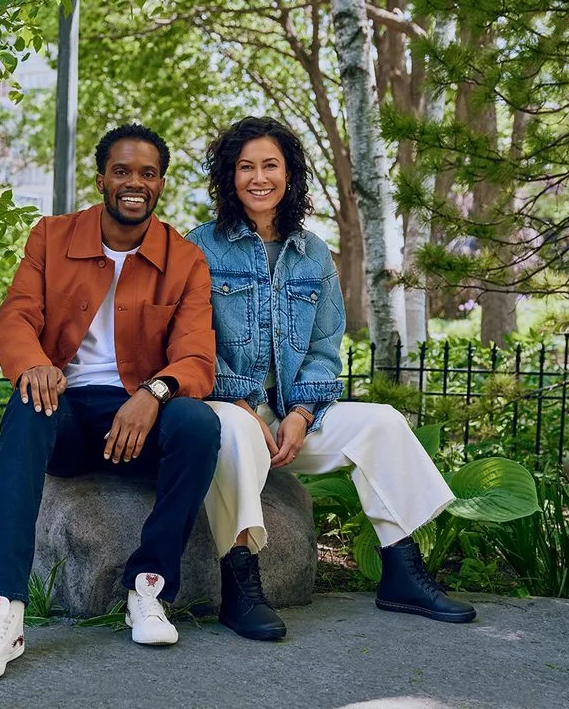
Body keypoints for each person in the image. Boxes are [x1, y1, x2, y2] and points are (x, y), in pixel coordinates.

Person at [186, 116, 476, 642]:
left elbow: (324, 347)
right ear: (228, 177)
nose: (258, 177)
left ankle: (401, 570)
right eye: (244, 166)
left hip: (291, 413)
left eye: (270, 165)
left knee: (381, 423)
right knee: (231, 430)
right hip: (229, 406)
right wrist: (245, 403)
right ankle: (240, 583)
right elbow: (193, 341)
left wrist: (301, 413)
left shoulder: (312, 253)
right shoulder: (200, 247)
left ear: (289, 173)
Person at [0, 124, 221, 682]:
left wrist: (155, 393)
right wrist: (34, 365)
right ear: (102, 178)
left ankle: (148, 589)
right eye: (122, 171)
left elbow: (196, 356)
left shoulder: (186, 260)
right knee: (27, 407)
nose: (134, 183)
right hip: (67, 417)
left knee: (197, 423)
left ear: (161, 185)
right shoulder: (50, 237)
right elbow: (16, 317)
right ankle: (2, 613)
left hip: (137, 423)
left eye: (147, 174)